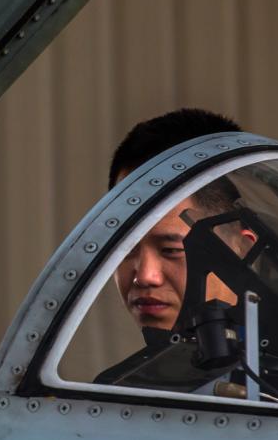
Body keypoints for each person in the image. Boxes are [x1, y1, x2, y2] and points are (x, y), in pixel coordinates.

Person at [108, 108, 255, 331]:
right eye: (126, 249)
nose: (145, 277)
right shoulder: (160, 366)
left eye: (171, 249)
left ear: (244, 250)